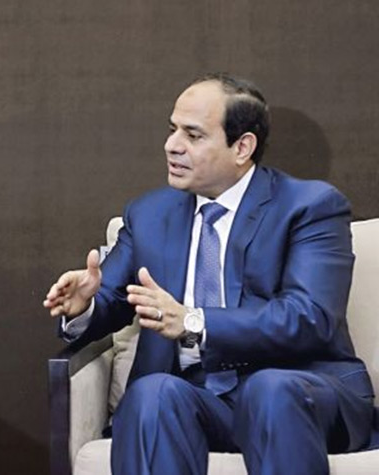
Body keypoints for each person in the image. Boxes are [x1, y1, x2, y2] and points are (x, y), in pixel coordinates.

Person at [44, 73, 376, 474]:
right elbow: (112, 299)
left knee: (269, 391)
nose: (172, 145)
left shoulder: (309, 206)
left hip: (298, 393)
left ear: (242, 147)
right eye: (172, 129)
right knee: (152, 394)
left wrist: (193, 322)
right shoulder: (149, 214)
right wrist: (83, 306)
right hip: (198, 403)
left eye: (193, 135)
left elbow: (310, 317)